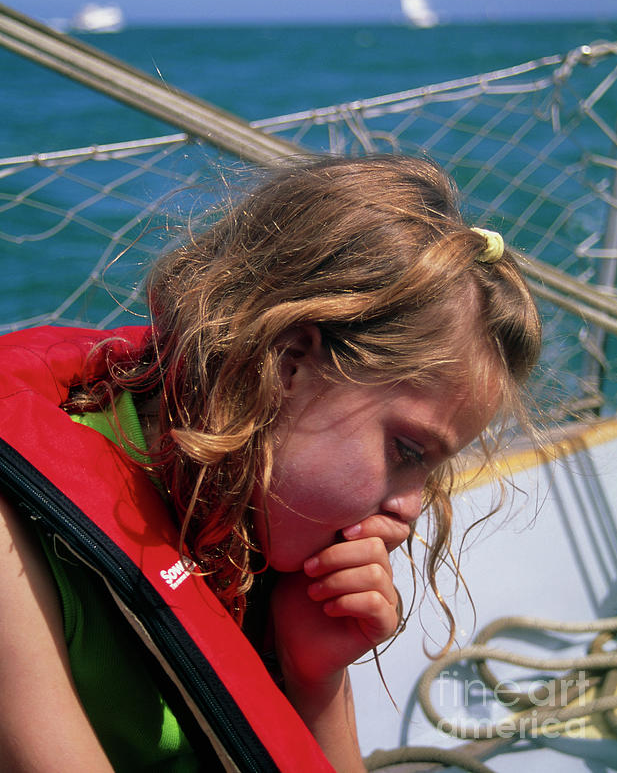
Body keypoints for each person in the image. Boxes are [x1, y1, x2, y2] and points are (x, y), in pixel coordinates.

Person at [0, 154, 541, 772]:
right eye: (407, 452)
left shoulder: (247, 532)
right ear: (286, 363)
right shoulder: (14, 539)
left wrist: (316, 681)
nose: (410, 509)